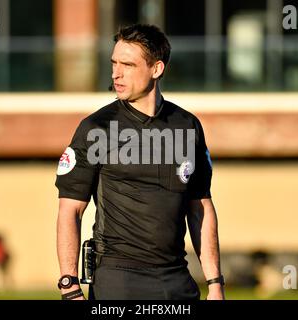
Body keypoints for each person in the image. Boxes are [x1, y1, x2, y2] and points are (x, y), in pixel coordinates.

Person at [55, 24, 224, 300]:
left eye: (128, 65)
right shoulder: (96, 128)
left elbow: (200, 209)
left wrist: (215, 283)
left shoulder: (187, 126)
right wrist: (69, 286)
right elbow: (70, 211)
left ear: (156, 69)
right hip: (118, 279)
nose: (116, 73)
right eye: (114, 63)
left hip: (175, 278)